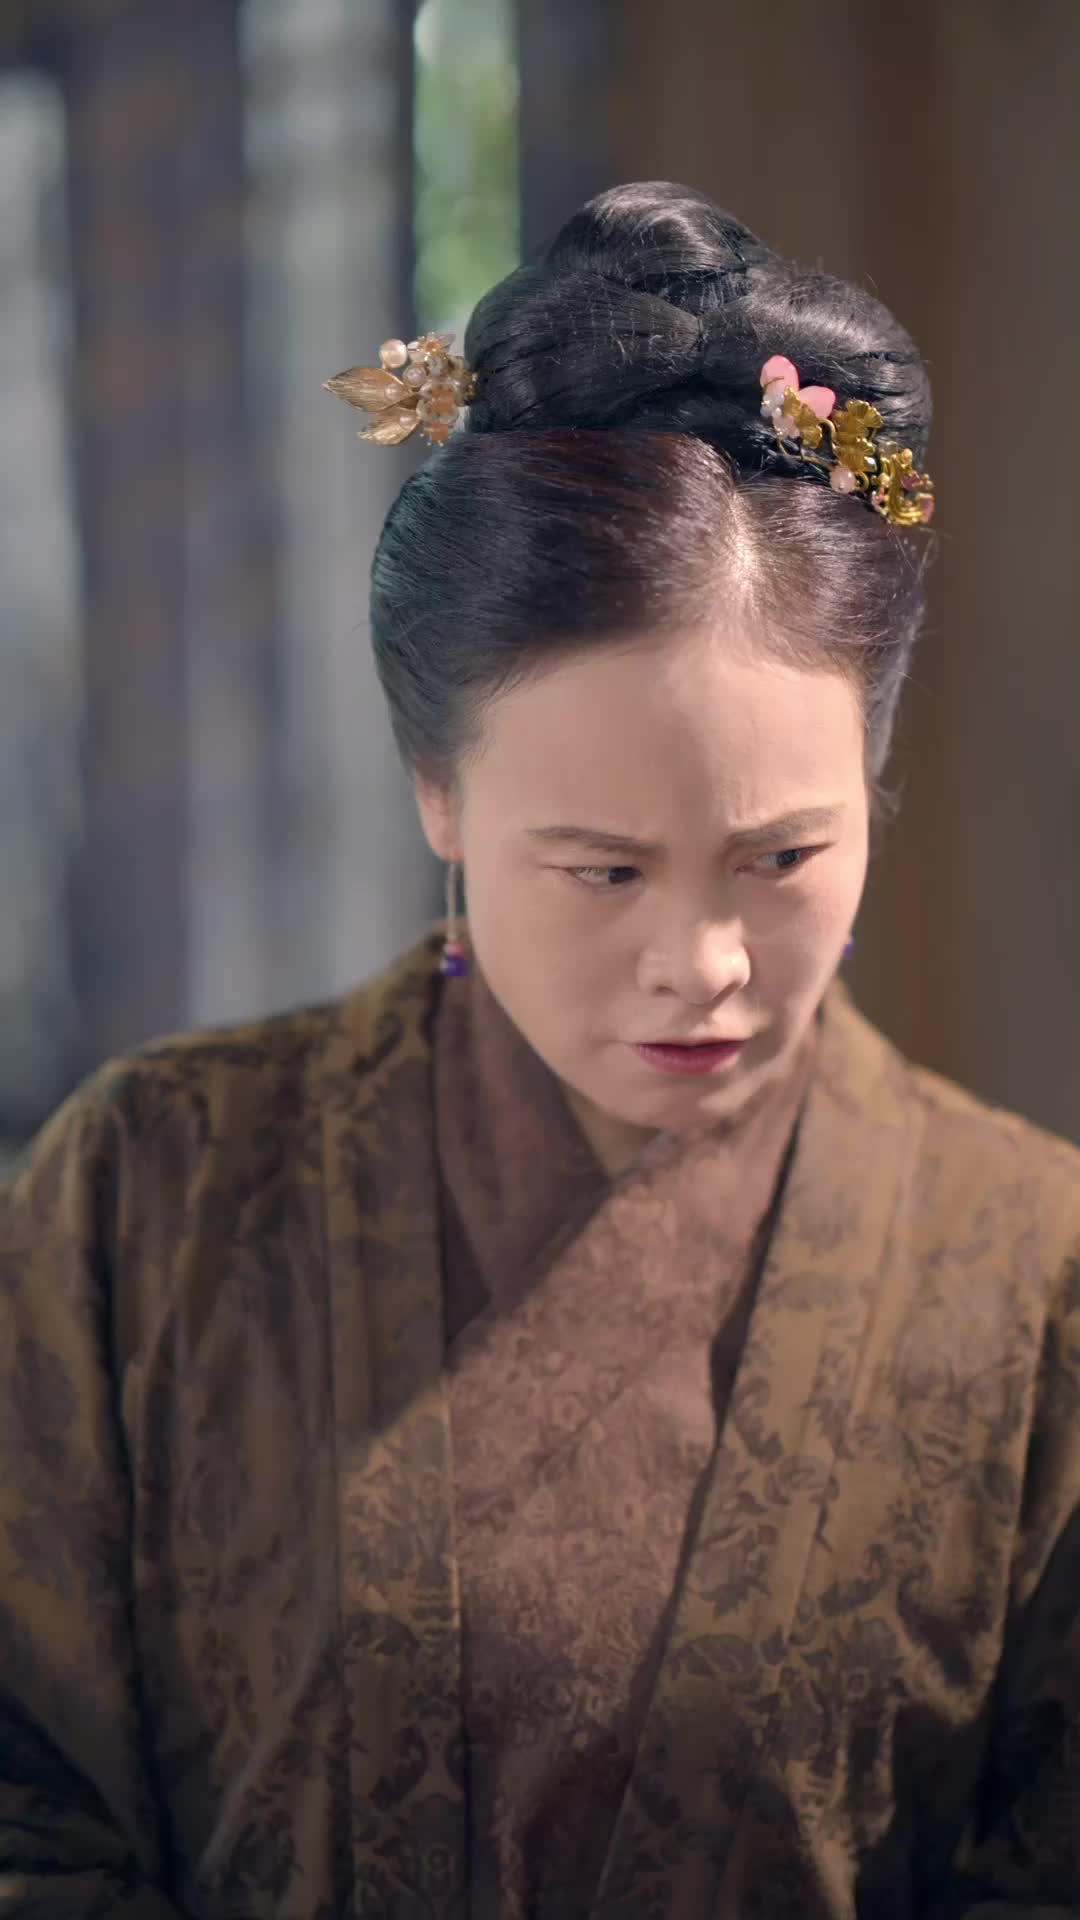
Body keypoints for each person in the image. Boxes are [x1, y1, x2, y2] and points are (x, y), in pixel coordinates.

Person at [1, 180, 1077, 1920]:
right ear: (438, 789)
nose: (703, 965)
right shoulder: (151, 1195)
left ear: (873, 784)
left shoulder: (1036, 1279)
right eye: (602, 870)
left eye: (782, 858)